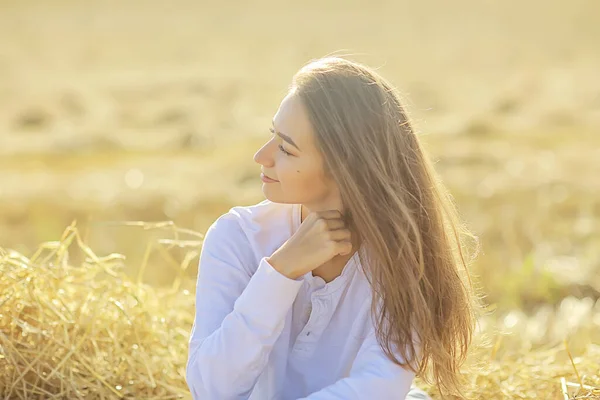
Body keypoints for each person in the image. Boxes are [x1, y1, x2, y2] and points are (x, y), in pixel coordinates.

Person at [186, 56, 484, 399]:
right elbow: (211, 389)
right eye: (273, 136)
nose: (262, 156)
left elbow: (380, 386)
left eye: (286, 148)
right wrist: (281, 271)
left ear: (346, 168)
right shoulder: (236, 237)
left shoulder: (404, 258)